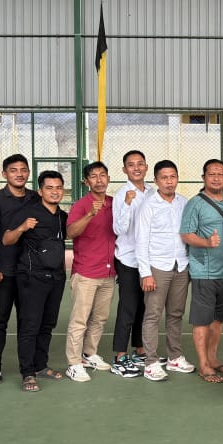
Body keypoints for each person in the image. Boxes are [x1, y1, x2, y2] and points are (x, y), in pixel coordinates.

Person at [3, 170, 68, 392]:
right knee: (30, 326)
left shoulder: (62, 216)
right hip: (32, 279)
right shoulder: (27, 212)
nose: (55, 192)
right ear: (40, 191)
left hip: (56, 278)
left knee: (47, 324)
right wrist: (22, 227)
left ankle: (41, 366)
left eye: (58, 187)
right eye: (49, 188)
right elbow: (7, 239)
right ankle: (28, 373)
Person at [180, 159, 223, 384]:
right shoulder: (195, 204)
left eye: (220, 174)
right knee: (202, 321)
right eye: (212, 174)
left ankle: (213, 359)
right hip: (204, 272)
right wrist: (207, 242)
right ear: (203, 177)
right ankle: (204, 366)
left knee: (218, 320)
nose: (216, 178)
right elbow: (186, 235)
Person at [0, 154, 38, 384]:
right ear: (4, 174)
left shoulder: (35, 198)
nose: (19, 174)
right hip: (4, 272)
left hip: (30, 273)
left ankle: (29, 368)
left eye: (23, 170)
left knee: (28, 322)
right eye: (14, 170)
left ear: (28, 173)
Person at [137, 160, 195, 382]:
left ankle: (174, 357)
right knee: (153, 315)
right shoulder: (148, 205)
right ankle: (151, 362)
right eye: (164, 178)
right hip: (157, 268)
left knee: (176, 314)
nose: (169, 182)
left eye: (173, 177)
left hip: (181, 266)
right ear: (156, 181)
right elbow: (141, 240)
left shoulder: (184, 203)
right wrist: (146, 273)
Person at [63, 162, 116, 383]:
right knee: (80, 320)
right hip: (85, 272)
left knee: (100, 318)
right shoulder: (81, 205)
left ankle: (89, 354)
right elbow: (70, 232)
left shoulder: (115, 203)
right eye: (93, 176)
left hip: (109, 272)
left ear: (108, 178)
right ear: (86, 181)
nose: (99, 180)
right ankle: (74, 364)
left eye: (102, 175)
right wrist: (90, 215)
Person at [109, 150, 151, 378]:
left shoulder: (153, 193)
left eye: (140, 163)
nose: (136, 168)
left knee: (144, 307)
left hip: (148, 261)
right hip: (128, 260)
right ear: (124, 169)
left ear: (146, 167)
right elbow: (119, 229)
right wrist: (127, 204)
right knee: (128, 308)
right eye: (131, 165)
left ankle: (139, 350)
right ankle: (120, 356)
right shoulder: (121, 195)